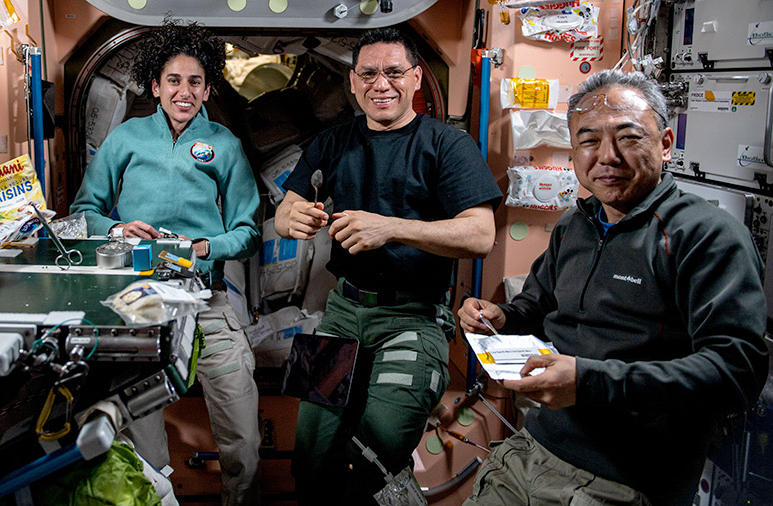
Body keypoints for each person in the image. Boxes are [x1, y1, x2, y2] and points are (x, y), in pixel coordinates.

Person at [458, 70, 769, 506]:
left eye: (628, 137)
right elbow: (537, 306)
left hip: (623, 480)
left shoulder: (706, 235)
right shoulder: (577, 223)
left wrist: (590, 382)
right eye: (588, 140)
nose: (607, 156)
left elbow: (737, 372)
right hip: (533, 450)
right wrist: (500, 318)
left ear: (664, 144)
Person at [274, 27, 503, 505]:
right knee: (312, 451)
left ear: (417, 78)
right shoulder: (332, 142)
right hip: (342, 310)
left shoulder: (447, 146)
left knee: (379, 452)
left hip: (414, 318)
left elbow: (480, 235)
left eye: (395, 72)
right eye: (369, 73)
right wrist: (290, 218)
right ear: (354, 83)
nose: (382, 83)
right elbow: (285, 210)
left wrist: (391, 228)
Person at [69, 20, 261, 506]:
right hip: (142, 300)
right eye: (173, 80)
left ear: (207, 87)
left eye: (195, 81)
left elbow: (248, 231)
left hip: (207, 300)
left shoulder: (225, 145)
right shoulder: (127, 139)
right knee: (144, 441)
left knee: (245, 435)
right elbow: (82, 212)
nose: (184, 91)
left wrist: (204, 248)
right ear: (155, 86)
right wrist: (116, 228)